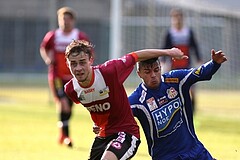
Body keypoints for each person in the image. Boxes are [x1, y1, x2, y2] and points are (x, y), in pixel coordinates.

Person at [64, 39, 186, 160]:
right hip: (103, 136)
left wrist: (169, 52)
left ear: (90, 60)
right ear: (68, 64)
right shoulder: (71, 89)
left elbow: (136, 56)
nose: (78, 68)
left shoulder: (110, 71)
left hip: (126, 132)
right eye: (73, 64)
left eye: (82, 62)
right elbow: (95, 103)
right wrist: (97, 122)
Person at [128, 49, 227, 160]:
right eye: (147, 72)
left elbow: (200, 72)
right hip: (167, 157)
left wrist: (214, 63)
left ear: (160, 68)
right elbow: (118, 116)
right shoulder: (137, 100)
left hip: (195, 150)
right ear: (139, 73)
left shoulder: (175, 80)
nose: (153, 75)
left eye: (156, 70)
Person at [39, 6, 90, 147]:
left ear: (73, 21)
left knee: (69, 106)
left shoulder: (79, 36)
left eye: (67, 19)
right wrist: (48, 58)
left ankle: (62, 133)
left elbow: (89, 52)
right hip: (57, 77)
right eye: (62, 19)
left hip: (74, 78)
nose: (65, 22)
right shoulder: (53, 35)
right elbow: (44, 47)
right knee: (63, 104)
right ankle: (67, 137)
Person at [162, 8, 202, 113]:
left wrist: (199, 59)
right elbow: (165, 48)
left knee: (191, 88)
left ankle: (193, 110)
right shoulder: (170, 33)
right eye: (175, 17)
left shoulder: (188, 32)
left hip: (187, 65)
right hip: (173, 66)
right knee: (171, 89)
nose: (178, 19)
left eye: (180, 17)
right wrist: (162, 61)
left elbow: (195, 47)